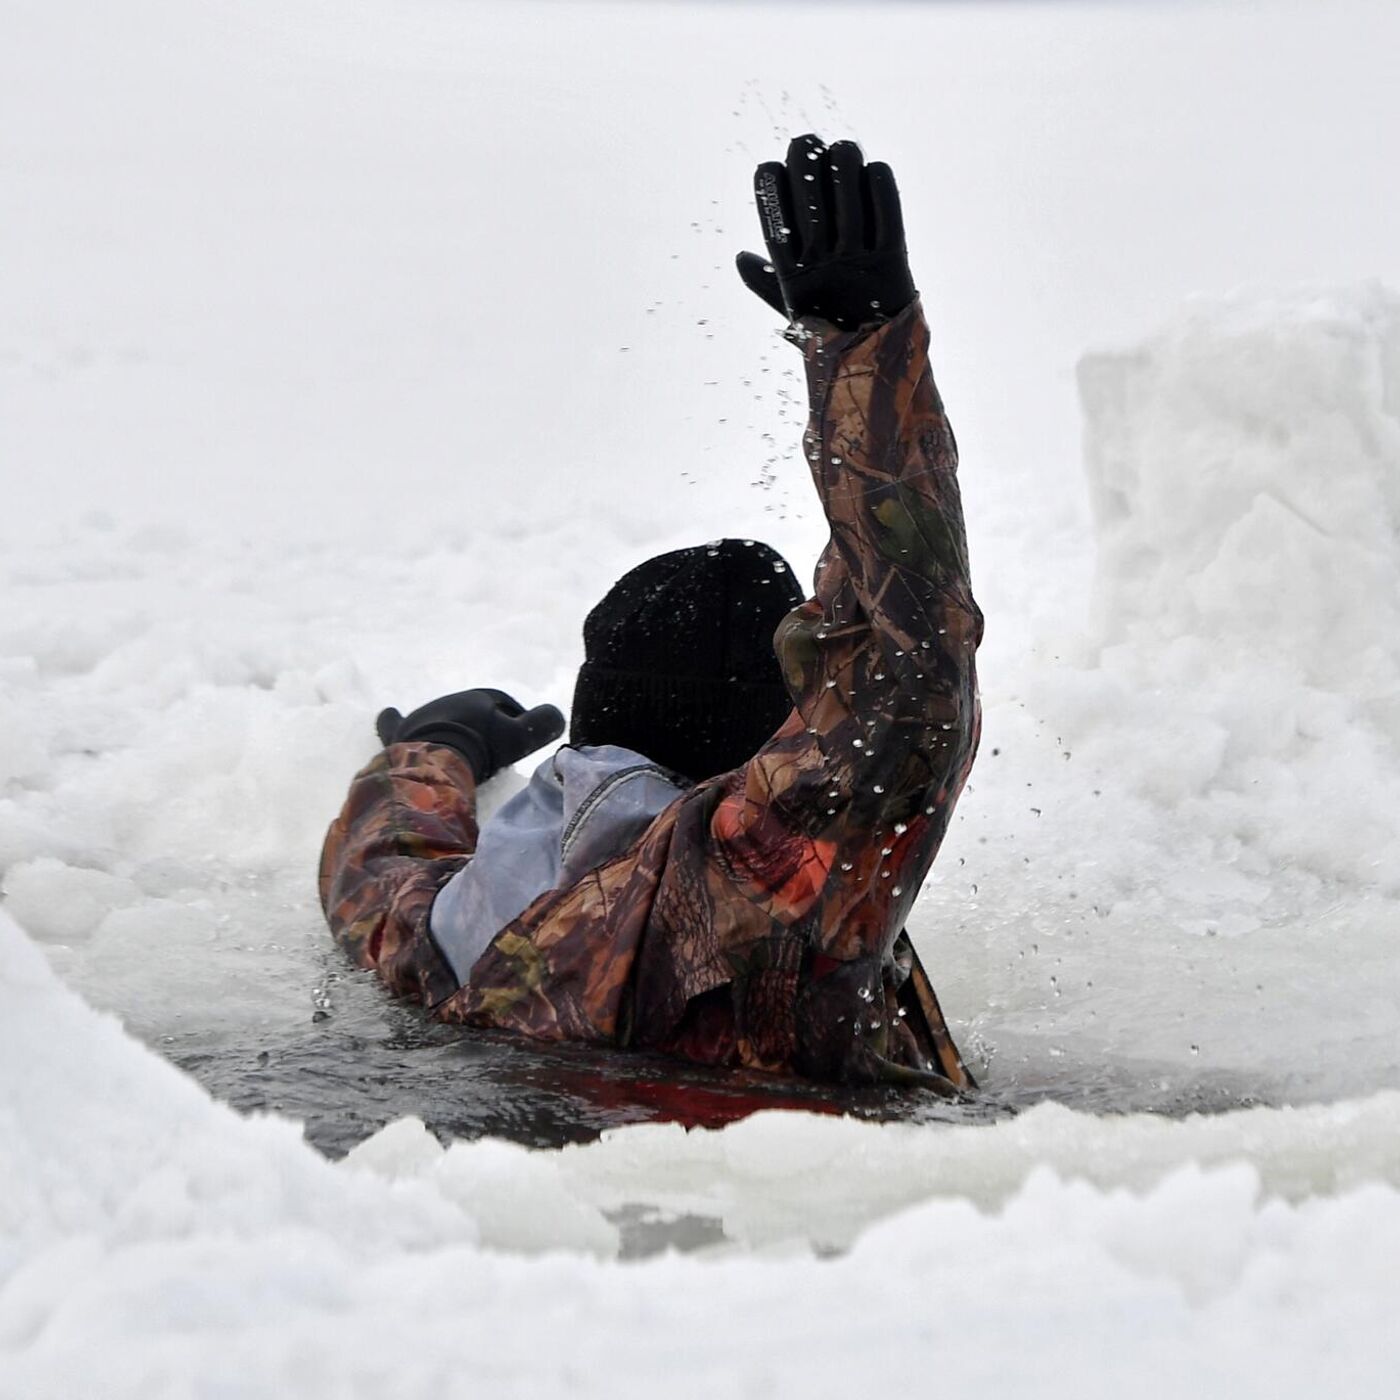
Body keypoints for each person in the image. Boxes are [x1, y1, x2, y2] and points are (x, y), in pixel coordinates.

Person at [319, 135, 983, 1092]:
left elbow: (374, 883)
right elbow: (909, 669)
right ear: (765, 747)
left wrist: (432, 750)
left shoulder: (471, 935)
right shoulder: (741, 889)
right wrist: (865, 349)